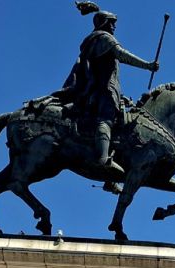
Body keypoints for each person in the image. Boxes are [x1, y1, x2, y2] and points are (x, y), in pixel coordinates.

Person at [56, 7, 159, 177]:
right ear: (103, 23)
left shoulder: (94, 40)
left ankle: (111, 167)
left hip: (106, 88)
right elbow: (121, 55)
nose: (114, 26)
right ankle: (103, 160)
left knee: (121, 123)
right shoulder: (103, 38)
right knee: (106, 120)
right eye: (111, 22)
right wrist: (147, 66)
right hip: (104, 89)